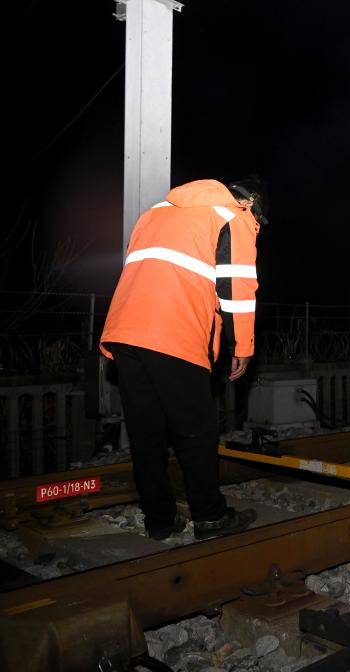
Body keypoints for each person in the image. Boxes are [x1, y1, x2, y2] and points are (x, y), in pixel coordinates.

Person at [100, 178, 267, 540]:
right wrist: (241, 347)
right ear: (249, 203)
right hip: (175, 332)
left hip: (124, 330)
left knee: (146, 434)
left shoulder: (157, 213)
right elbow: (237, 289)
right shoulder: (230, 217)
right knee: (196, 431)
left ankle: (159, 520)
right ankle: (210, 517)